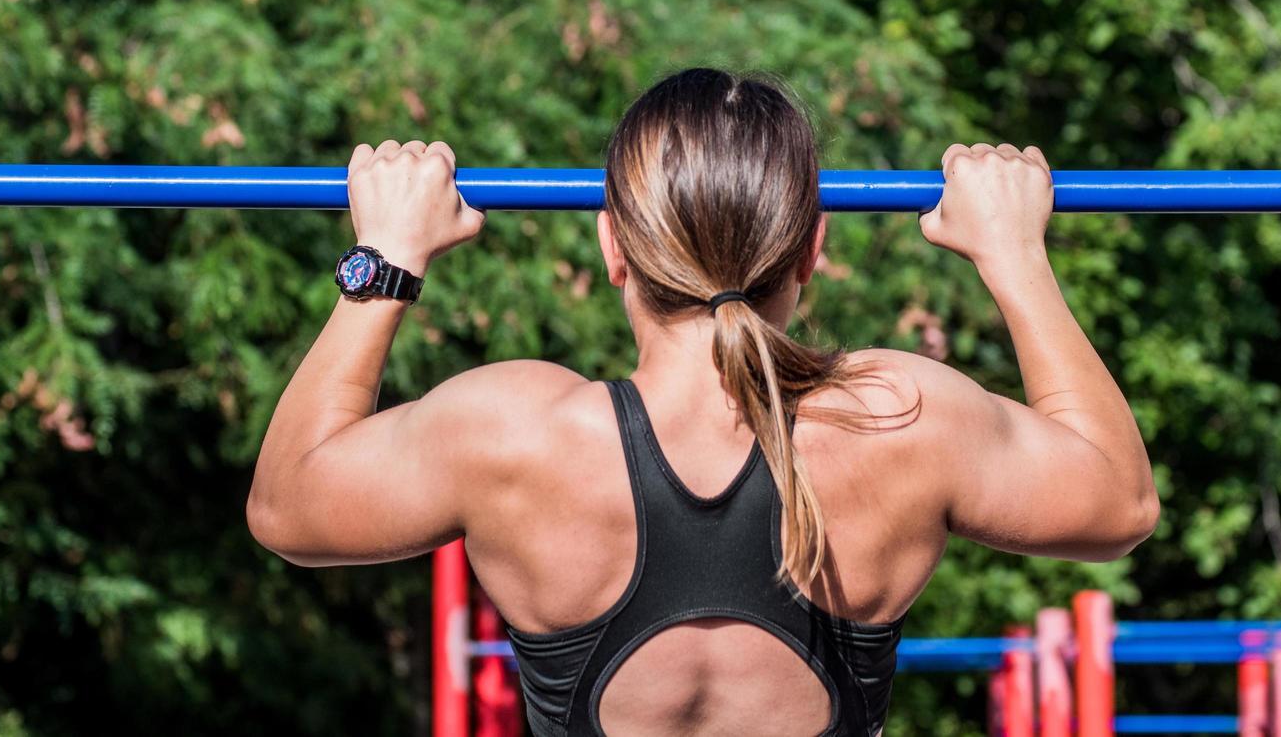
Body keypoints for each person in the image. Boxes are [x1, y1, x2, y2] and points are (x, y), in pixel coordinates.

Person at [247, 68, 1159, 736]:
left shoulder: (507, 431)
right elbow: (1118, 503)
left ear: (612, 246)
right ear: (811, 250)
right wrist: (1014, 257)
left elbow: (286, 506)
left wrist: (386, 259)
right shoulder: (898, 417)